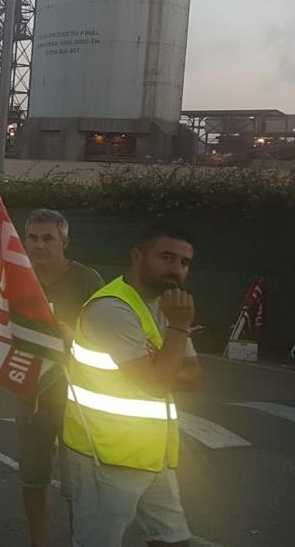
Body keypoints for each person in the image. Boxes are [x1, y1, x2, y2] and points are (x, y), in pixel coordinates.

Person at [63, 223, 199, 547]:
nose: (176, 269)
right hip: (105, 459)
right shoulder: (111, 308)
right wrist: (179, 329)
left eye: (184, 262)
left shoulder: (164, 307)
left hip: (153, 457)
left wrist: (159, 366)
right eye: (167, 257)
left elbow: (193, 376)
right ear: (138, 256)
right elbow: (156, 382)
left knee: (174, 540)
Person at [14, 209, 104, 547]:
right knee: (33, 479)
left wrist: (74, 336)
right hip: (30, 390)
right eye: (33, 238)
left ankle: (76, 540)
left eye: (47, 238)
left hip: (75, 394)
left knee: (77, 484)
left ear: (64, 242)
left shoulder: (87, 280)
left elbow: (109, 336)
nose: (39, 245)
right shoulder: (18, 278)